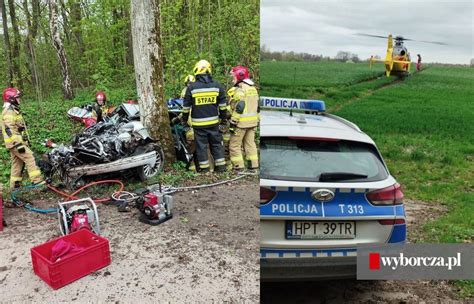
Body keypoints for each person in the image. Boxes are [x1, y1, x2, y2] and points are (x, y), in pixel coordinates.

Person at [182, 59, 228, 173]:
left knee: (201, 147)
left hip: (198, 124)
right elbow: (223, 106)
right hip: (213, 123)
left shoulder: (191, 87)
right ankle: (221, 167)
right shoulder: (217, 86)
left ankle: (204, 170)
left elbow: (186, 108)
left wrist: (184, 121)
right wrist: (223, 120)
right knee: (216, 145)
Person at [1, 88, 44, 189]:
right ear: (11, 99)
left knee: (17, 164)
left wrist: (25, 139)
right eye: (17, 98)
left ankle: (15, 187)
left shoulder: (14, 110)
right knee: (29, 157)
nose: (19, 99)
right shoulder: (9, 112)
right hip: (15, 143)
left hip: (15, 143)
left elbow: (18, 127)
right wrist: (18, 143)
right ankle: (37, 181)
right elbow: (9, 129)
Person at [228, 66, 259, 170]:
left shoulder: (240, 89)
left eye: (233, 76)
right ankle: (253, 166)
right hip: (252, 123)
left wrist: (233, 121)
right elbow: (257, 106)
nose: (233, 79)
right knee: (250, 145)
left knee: (234, 146)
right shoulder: (253, 88)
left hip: (241, 124)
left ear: (239, 76)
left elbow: (239, 107)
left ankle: (238, 167)